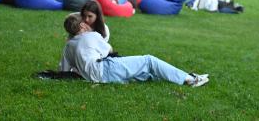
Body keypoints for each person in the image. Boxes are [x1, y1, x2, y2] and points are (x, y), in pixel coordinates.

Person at [60, 13, 209, 87]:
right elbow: (109, 50)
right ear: (81, 26)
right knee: (148, 60)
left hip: (96, 77)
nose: (87, 23)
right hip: (104, 69)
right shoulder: (91, 36)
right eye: (84, 22)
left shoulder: (68, 45)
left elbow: (65, 70)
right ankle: (190, 79)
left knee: (144, 73)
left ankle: (180, 76)